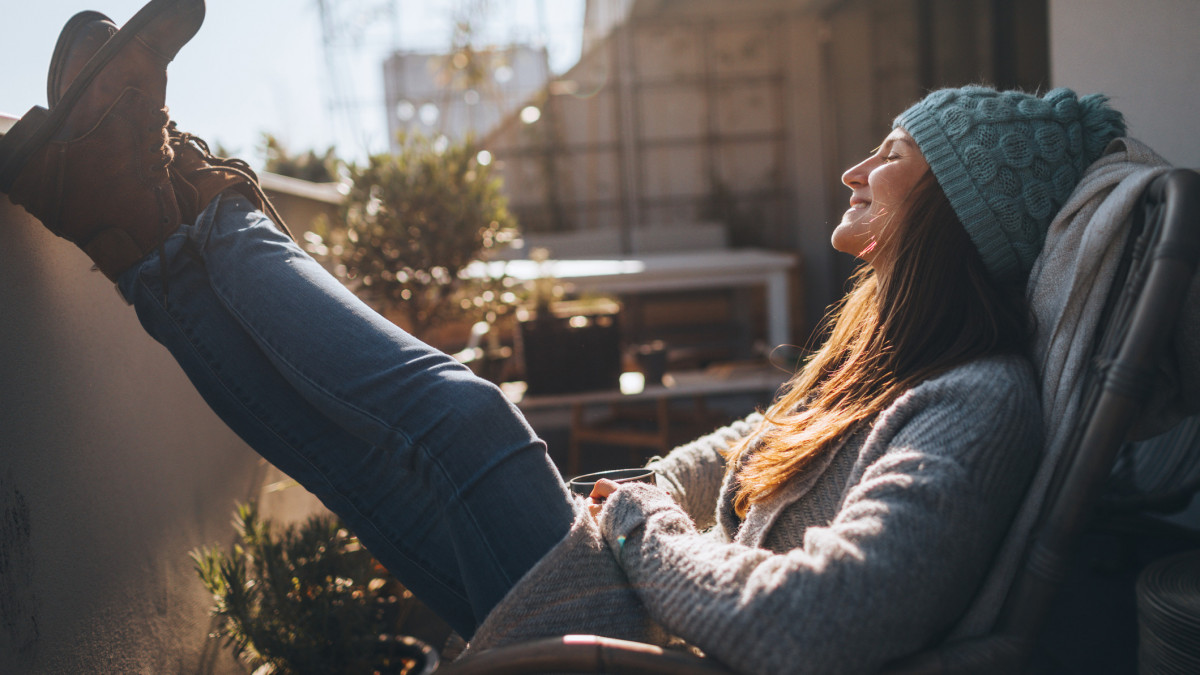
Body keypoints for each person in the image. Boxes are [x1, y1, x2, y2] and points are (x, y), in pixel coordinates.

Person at [0, 2, 1129, 673]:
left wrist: (639, 530)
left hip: (657, 649)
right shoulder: (889, 379)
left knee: (465, 416)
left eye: (893, 155)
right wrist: (645, 487)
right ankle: (125, 220)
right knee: (350, 456)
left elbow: (818, 621)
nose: (855, 167)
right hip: (642, 617)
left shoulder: (980, 404)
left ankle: (193, 202)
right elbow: (731, 454)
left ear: (956, 211)